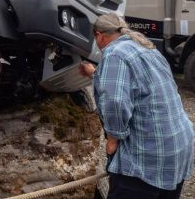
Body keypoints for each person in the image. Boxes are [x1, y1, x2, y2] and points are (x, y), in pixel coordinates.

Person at [79, 12, 194, 199]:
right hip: (177, 146)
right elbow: (137, 82)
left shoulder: (114, 53)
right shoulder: (145, 47)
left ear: (99, 35)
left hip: (149, 153)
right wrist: (96, 73)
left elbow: (115, 101)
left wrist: (113, 139)